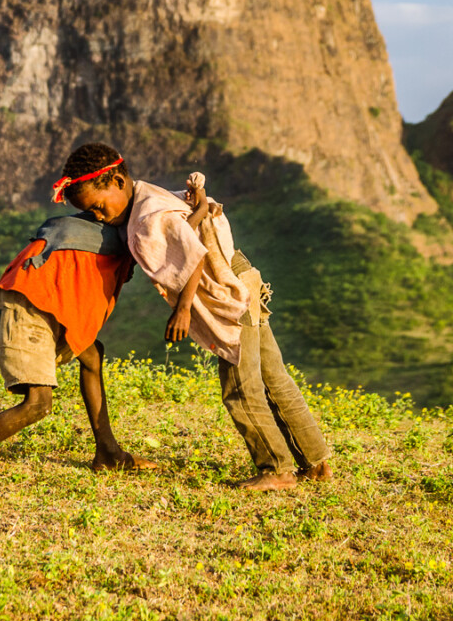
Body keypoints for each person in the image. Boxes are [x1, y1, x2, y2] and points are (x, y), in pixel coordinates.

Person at [0, 143, 158, 482]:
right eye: (92, 211)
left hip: (48, 305)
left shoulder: (130, 217)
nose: (98, 216)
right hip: (27, 305)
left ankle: (108, 452)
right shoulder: (114, 223)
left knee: (92, 356)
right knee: (38, 404)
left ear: (118, 180)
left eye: (98, 207)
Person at [125, 168, 333, 490]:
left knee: (241, 386)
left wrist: (183, 309)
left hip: (231, 289)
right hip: (243, 272)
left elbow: (193, 252)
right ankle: (316, 462)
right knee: (272, 376)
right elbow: (196, 226)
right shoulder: (161, 198)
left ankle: (277, 469)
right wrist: (201, 207)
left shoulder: (147, 212)